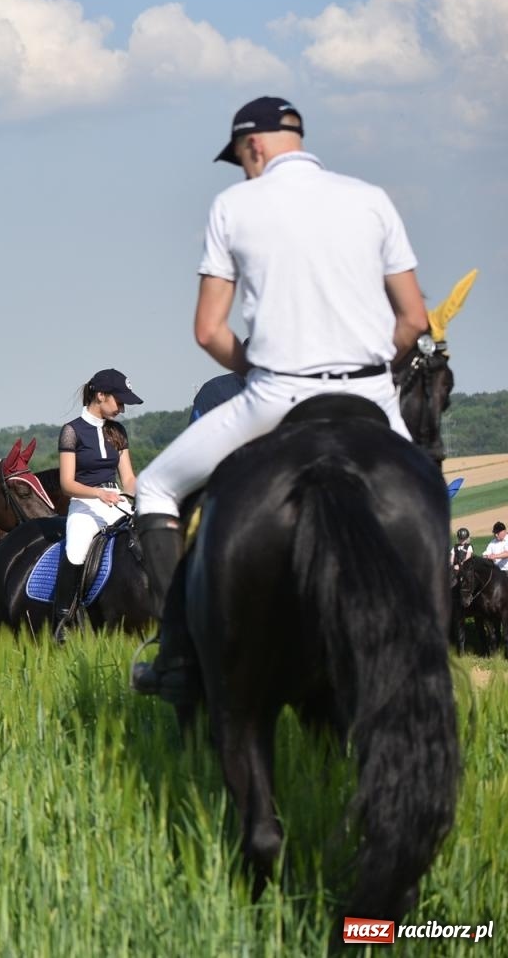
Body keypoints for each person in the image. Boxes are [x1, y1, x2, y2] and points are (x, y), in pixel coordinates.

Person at [132, 97, 430, 703]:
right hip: (372, 391)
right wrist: (377, 372)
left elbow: (208, 331)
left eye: (240, 159)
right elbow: (414, 319)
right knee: (421, 486)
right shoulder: (371, 198)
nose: (242, 170)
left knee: (155, 489)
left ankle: (178, 656)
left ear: (256, 146)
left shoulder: (235, 205)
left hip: (276, 393)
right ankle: (432, 643)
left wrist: (254, 367)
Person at [53, 370, 141, 612]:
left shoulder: (118, 432)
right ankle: (62, 617)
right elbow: (67, 484)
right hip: (84, 504)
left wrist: (145, 494)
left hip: (118, 501)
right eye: (119, 401)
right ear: (101, 395)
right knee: (76, 552)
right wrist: (98, 494)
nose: (122, 409)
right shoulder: (72, 431)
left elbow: (129, 478)